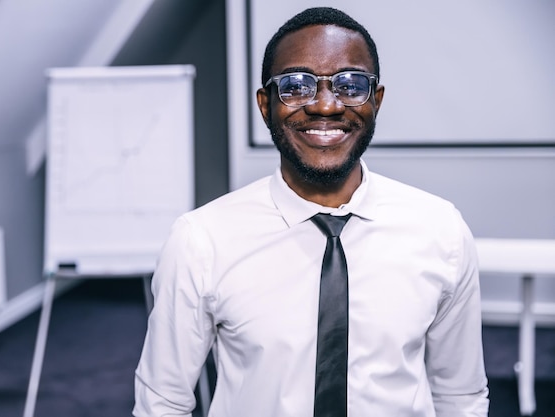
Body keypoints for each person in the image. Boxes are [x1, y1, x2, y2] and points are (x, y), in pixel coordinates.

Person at [133, 6, 489, 417]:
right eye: (297, 86)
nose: (325, 106)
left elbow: (460, 397)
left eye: (350, 84)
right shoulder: (201, 240)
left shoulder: (440, 231)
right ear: (265, 105)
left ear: (376, 100)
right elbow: (162, 403)